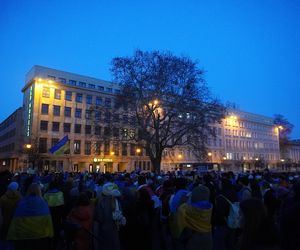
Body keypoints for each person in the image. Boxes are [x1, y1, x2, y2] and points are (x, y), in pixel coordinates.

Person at [7, 183, 53, 250]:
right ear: (39, 191)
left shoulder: (21, 203)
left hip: (23, 238)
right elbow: (48, 221)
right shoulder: (44, 203)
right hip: (40, 236)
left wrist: (11, 236)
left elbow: (15, 222)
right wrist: (50, 234)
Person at [174, 185, 213, 250]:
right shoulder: (210, 207)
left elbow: (179, 210)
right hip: (208, 236)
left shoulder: (189, 209)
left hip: (193, 239)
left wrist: (185, 198)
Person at [93, 182, 125, 250]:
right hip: (114, 227)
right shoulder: (116, 200)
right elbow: (120, 213)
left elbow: (99, 217)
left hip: (105, 228)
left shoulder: (101, 201)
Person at [0, 182, 22, 250]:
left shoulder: (3, 198)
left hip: (5, 221)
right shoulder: (20, 197)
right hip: (16, 221)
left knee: (4, 237)